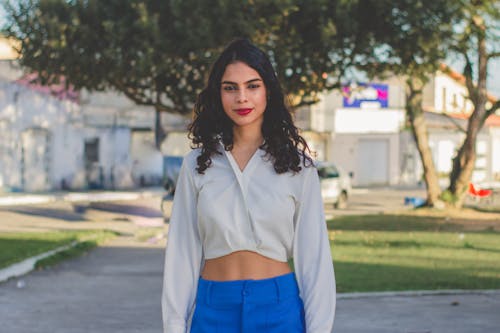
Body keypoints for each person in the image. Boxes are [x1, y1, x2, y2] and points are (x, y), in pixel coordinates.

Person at [162, 38, 336, 333]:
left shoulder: (298, 167)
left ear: (268, 90)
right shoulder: (196, 165)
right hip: (213, 309)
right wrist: (175, 326)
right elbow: (182, 252)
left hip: (278, 308)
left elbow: (314, 258)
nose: (242, 97)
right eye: (230, 87)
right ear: (218, 94)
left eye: (252, 86)